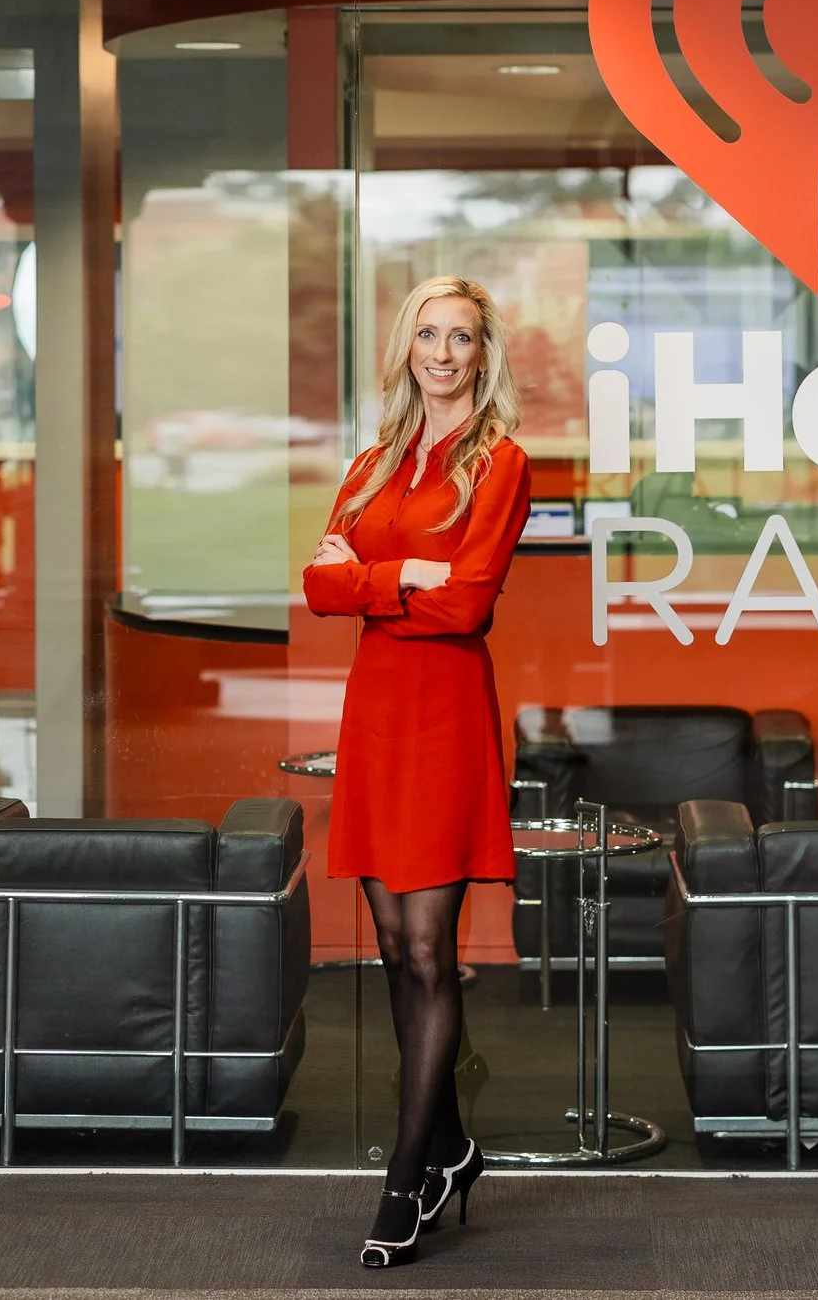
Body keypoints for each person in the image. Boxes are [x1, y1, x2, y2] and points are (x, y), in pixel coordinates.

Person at [303, 275, 528, 1269]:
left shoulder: (503, 460)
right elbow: (316, 584)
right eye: (429, 333)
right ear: (407, 347)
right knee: (395, 942)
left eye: (462, 337)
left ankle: (405, 1174)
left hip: (441, 714)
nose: (443, 351)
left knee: (430, 946)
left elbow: (469, 606)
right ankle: (453, 1148)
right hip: (378, 709)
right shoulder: (370, 463)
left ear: (484, 353)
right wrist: (400, 577)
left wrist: (368, 581)